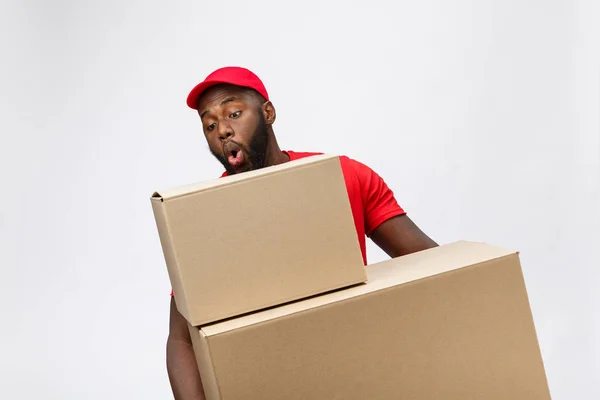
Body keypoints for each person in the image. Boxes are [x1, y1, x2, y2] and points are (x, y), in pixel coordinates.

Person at [167, 66, 438, 399]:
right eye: (210, 125)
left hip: (356, 376)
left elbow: (432, 267)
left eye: (234, 113)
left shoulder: (343, 177)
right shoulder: (202, 219)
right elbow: (181, 339)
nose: (222, 130)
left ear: (268, 113)